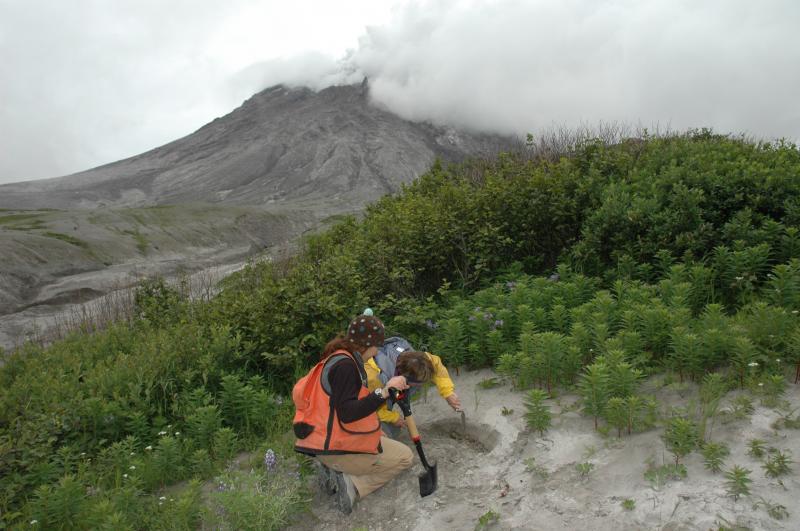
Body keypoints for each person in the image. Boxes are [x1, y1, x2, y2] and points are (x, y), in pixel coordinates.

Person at [292, 313, 413, 514]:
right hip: (335, 446)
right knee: (405, 457)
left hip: (321, 441)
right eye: (377, 344)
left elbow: (342, 409)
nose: (378, 350)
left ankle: (334, 468)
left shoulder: (338, 358)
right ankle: (353, 484)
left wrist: (374, 430)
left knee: (381, 437)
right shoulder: (347, 367)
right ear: (367, 344)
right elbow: (347, 413)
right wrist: (384, 391)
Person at [361, 309, 463, 439]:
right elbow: (365, 407)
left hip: (392, 380)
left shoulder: (418, 358)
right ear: (402, 377)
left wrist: (447, 392)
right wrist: (393, 417)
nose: (416, 387)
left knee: (394, 427)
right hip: (366, 402)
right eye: (413, 383)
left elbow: (436, 365)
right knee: (389, 432)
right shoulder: (374, 378)